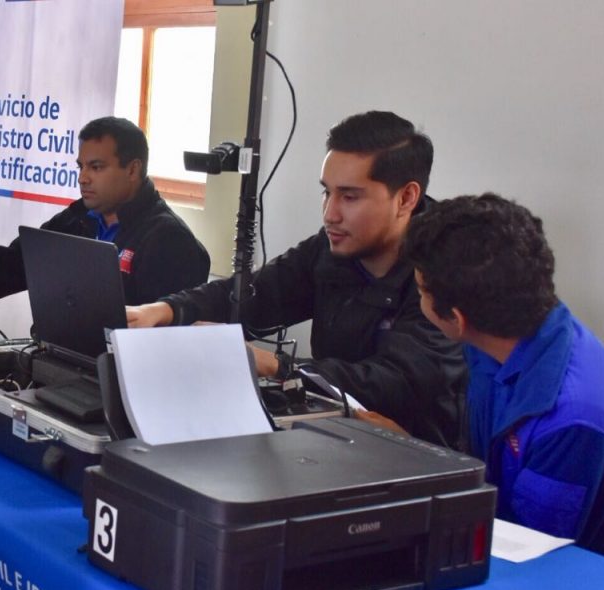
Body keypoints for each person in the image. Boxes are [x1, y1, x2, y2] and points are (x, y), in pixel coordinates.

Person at [127, 111, 464, 445]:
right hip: (336, 439)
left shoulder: (442, 270)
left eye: (349, 197)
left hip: (415, 454)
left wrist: (278, 366)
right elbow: (253, 294)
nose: (330, 213)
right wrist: (165, 310)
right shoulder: (330, 248)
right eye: (326, 192)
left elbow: (398, 382)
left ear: (406, 198)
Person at [403, 193, 604, 559]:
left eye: (421, 291)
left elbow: (531, 549)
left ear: (456, 319)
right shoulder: (503, 333)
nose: (417, 298)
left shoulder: (571, 418)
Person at [0, 116, 211, 306]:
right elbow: (11, 264)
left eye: (96, 167)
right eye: (81, 166)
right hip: (59, 356)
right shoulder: (79, 217)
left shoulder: (169, 241)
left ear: (132, 170)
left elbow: (157, 336)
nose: (83, 178)